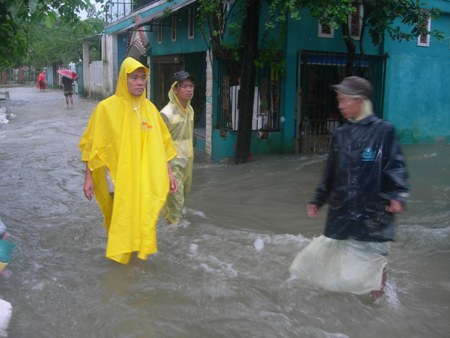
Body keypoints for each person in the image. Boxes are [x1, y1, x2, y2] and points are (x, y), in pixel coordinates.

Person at [289, 76, 409, 302]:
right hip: (343, 209)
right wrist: (317, 199)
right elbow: (330, 172)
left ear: (361, 101)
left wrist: (397, 195)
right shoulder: (340, 135)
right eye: (339, 100)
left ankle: (379, 303)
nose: (340, 105)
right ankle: (341, 299)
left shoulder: (384, 131)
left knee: (375, 259)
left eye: (345, 101)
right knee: (334, 256)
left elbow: (396, 165)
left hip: (374, 211)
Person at [79, 57, 178, 264]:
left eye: (143, 78)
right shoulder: (106, 109)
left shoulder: (150, 109)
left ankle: (132, 257)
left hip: (141, 178)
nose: (140, 82)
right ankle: (119, 258)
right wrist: (88, 178)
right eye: (134, 78)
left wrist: (169, 173)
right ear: (124, 79)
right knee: (121, 217)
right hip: (115, 179)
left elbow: (163, 144)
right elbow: (92, 146)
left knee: (140, 216)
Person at [160, 71, 195, 225]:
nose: (189, 90)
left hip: (187, 163)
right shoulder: (166, 113)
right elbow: (159, 144)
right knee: (176, 204)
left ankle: (170, 228)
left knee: (180, 202)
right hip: (173, 166)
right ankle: (174, 242)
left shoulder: (190, 110)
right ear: (175, 89)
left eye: (191, 86)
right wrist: (167, 171)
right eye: (185, 86)